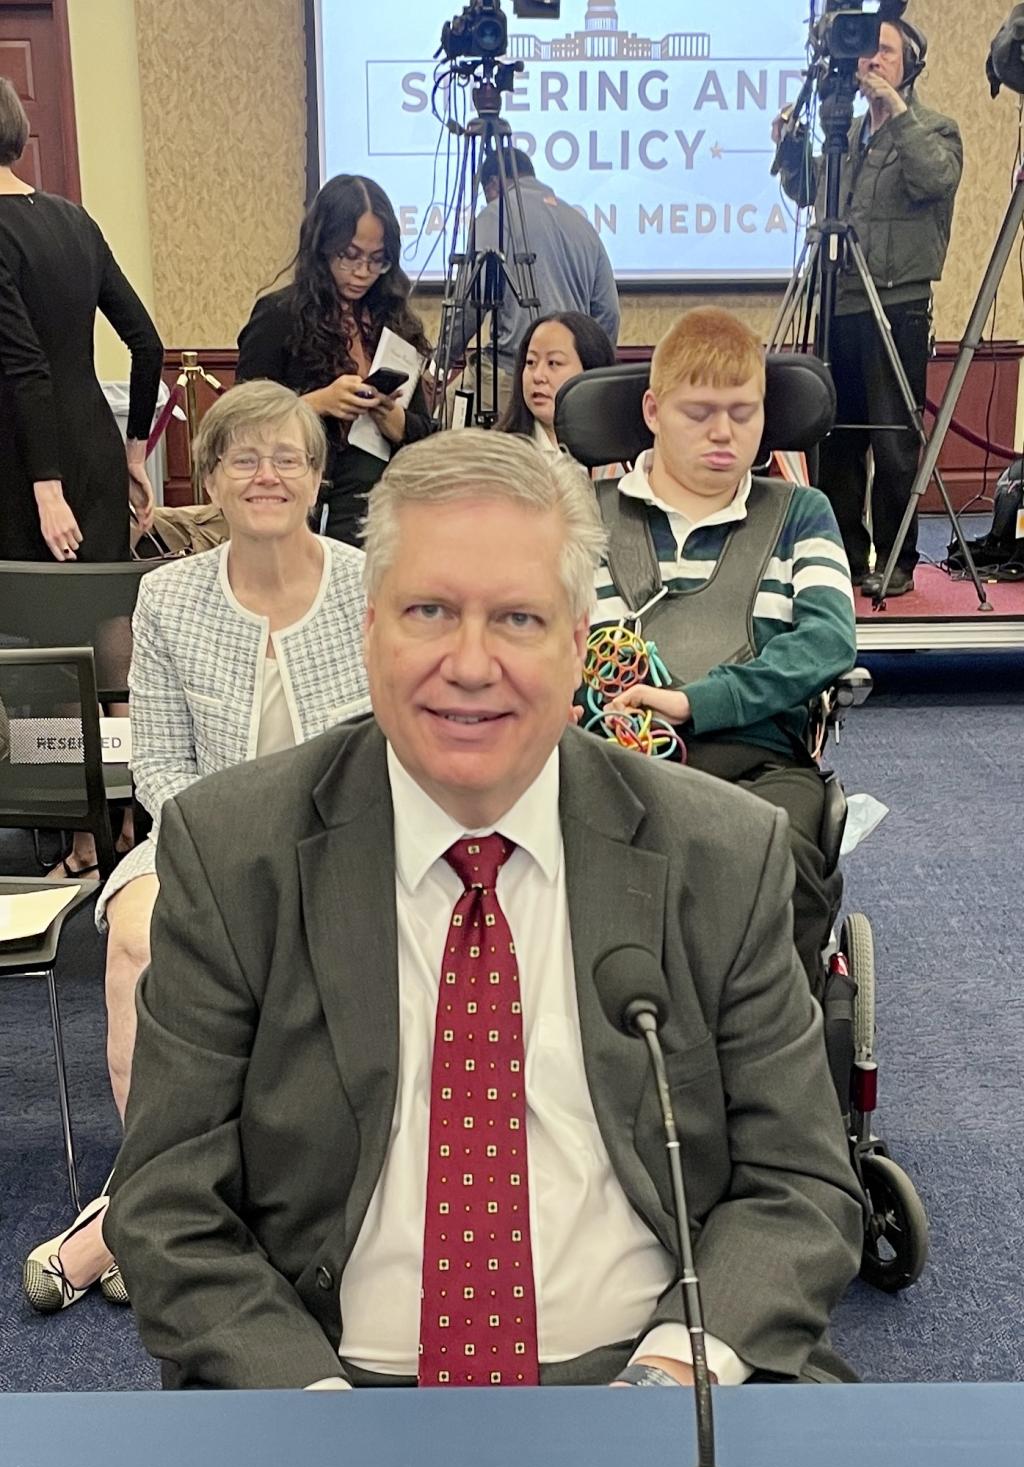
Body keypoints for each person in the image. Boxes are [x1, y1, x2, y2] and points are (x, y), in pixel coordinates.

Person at [103, 428, 864, 1392]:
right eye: (429, 610)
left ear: (578, 645)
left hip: (657, 1377)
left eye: (517, 619)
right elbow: (167, 1203)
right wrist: (313, 1416)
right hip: (330, 1384)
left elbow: (800, 1185)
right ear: (369, 626)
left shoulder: (721, 853)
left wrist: (675, 1373)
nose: (471, 663)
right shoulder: (232, 850)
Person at [22, 381, 371, 1315]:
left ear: (316, 474)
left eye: (286, 457)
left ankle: (132, 1218)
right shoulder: (167, 597)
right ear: (208, 478)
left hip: (348, 848)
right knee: (135, 932)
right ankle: (157, 1183)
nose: (266, 476)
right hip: (200, 837)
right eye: (242, 458)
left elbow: (387, 753)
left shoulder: (367, 585)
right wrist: (229, 862)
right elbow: (160, 771)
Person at [590, 307, 857, 995]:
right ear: (652, 409)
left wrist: (693, 700)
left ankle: (771, 1055)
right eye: (700, 411)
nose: (723, 432)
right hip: (612, 757)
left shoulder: (803, 514)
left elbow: (828, 641)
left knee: (782, 859)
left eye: (744, 412)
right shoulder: (582, 515)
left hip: (760, 761)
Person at [772, 15, 963, 597]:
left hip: (896, 304)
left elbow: (935, 180)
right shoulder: (846, 136)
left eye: (885, 52)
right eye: (867, 53)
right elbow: (810, 193)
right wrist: (792, 147)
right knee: (837, 439)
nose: (871, 62)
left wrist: (896, 113)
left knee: (894, 441)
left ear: (911, 65)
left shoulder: (936, 129)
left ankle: (899, 559)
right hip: (839, 298)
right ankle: (846, 558)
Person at [0, 77, 162, 563]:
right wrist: (135, 455)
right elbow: (148, 345)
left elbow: (27, 368)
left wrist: (47, 489)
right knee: (100, 621)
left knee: (30, 632)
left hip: (23, 466)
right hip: (97, 451)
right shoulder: (75, 219)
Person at [236, 174, 433, 547]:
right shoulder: (281, 315)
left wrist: (398, 422)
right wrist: (317, 404)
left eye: (378, 261)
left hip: (386, 505)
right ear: (322, 247)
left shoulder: (396, 320)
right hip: (310, 508)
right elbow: (240, 423)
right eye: (350, 256)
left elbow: (424, 431)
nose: (362, 272)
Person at [444, 149, 620, 416]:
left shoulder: (495, 215)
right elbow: (608, 312)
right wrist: (588, 376)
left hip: (510, 375)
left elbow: (470, 302)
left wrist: (440, 362)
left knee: (443, 418)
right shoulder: (581, 223)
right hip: (572, 383)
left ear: (493, 184)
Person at [498, 310, 615, 454]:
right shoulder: (501, 454)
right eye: (530, 362)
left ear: (591, 371)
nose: (538, 376)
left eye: (553, 362)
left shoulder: (622, 452)